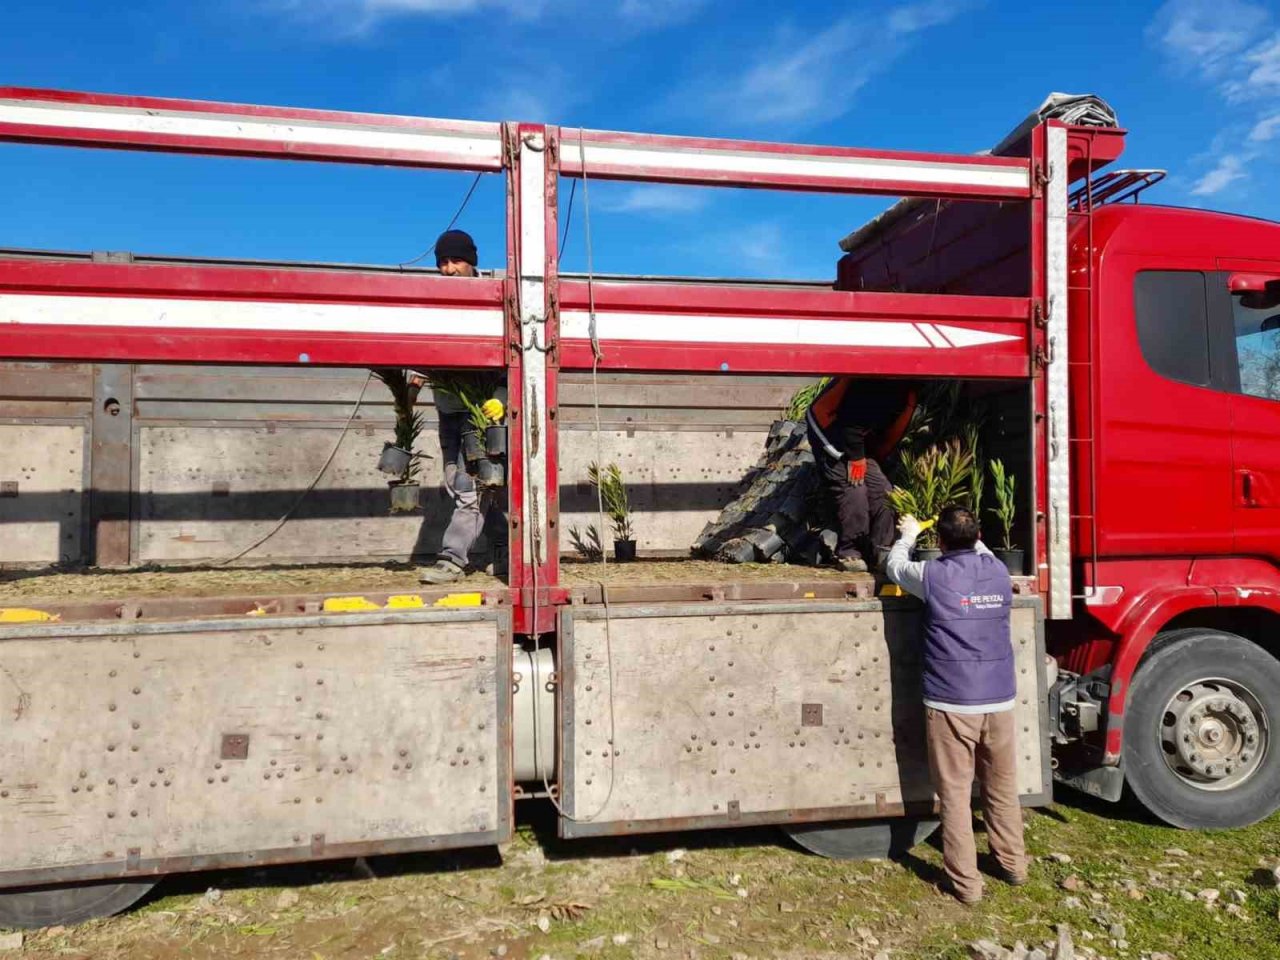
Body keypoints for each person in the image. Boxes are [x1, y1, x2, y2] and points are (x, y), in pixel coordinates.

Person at [884, 504, 1027, 904]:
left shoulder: (932, 575)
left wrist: (908, 535)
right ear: (978, 536)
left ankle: (965, 884)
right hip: (999, 700)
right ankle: (1013, 864)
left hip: (952, 702)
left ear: (941, 542)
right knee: (1002, 787)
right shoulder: (999, 571)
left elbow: (894, 567)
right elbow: (980, 549)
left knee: (955, 795)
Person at [418, 230, 509, 584]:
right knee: (458, 484)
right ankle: (505, 547)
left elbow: (513, 354)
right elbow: (423, 347)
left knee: (469, 486)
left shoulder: (494, 299)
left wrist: (500, 399)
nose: (448, 269)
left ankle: (452, 559)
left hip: (482, 415)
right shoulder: (434, 303)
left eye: (456, 260)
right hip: (448, 410)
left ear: (472, 262)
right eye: (442, 262)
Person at [806, 378, 916, 572]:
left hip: (859, 440)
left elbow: (887, 433)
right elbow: (851, 422)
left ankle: (881, 550)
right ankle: (850, 552)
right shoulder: (871, 382)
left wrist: (871, 457)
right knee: (854, 489)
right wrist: (856, 458)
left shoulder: (907, 393)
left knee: (884, 492)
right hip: (829, 430)